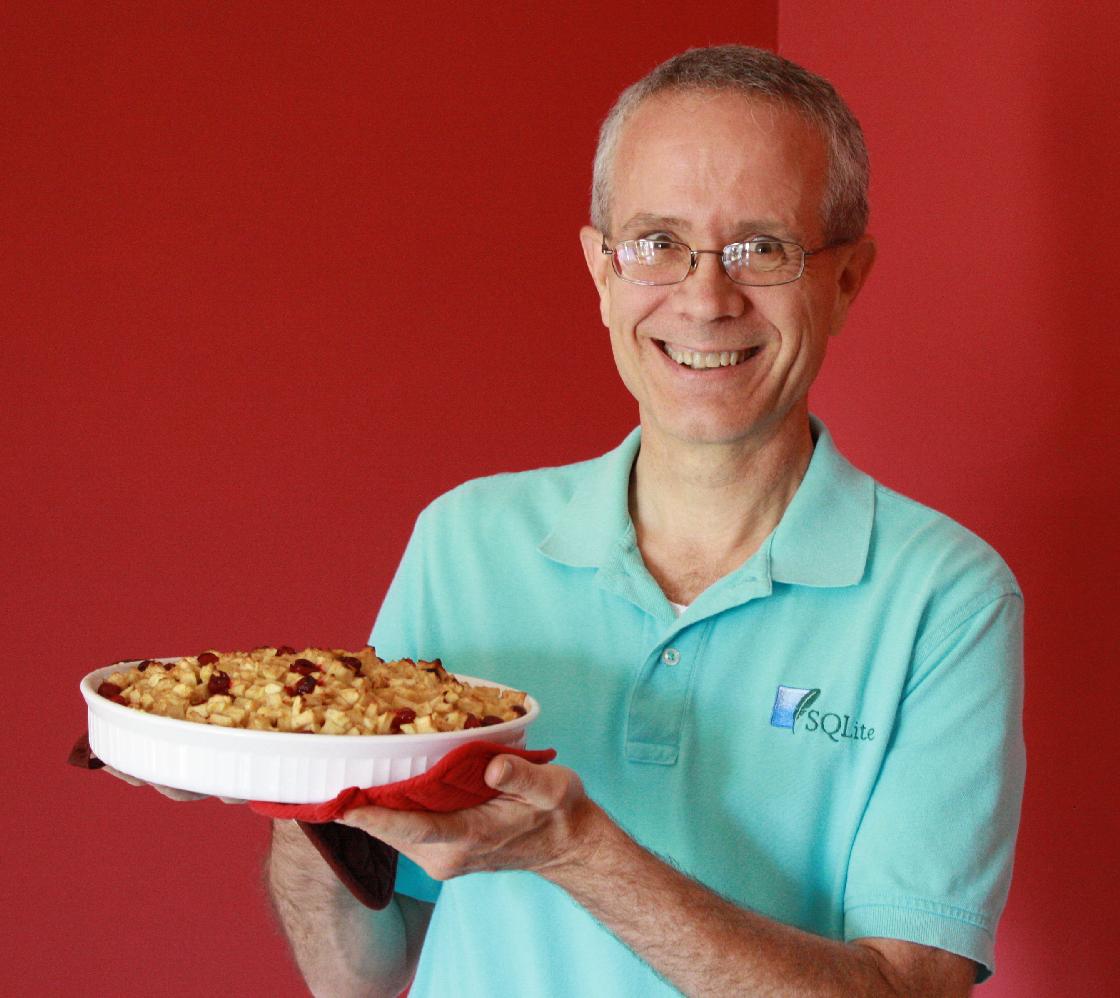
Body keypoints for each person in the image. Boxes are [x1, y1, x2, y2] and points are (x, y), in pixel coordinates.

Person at [266, 45, 1024, 997]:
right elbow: (360, 979)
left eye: (762, 248)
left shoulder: (947, 599)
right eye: (657, 243)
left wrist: (579, 852)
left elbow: (908, 989)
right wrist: (295, 790)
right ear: (601, 271)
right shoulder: (465, 541)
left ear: (844, 282)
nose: (705, 300)